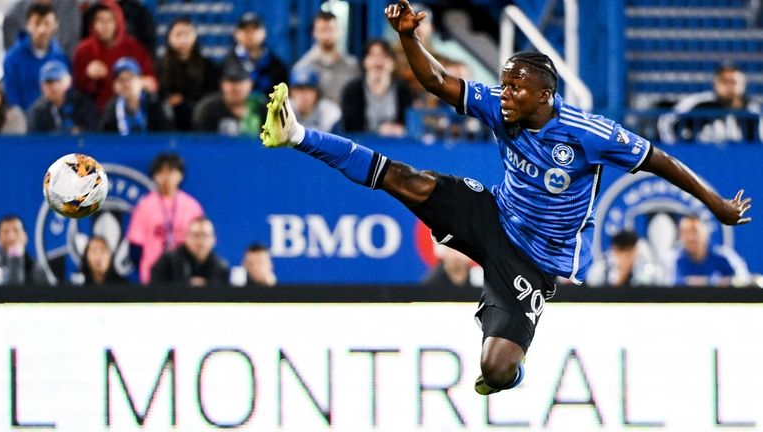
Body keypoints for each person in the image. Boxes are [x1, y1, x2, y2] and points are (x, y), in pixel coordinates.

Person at [260, 0, 752, 396]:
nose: (505, 93)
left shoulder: (588, 132)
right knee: (408, 180)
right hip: (495, 215)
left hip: (536, 261)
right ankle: (300, 135)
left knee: (495, 368)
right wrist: (408, 36)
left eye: (516, 87)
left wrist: (716, 205)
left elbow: (659, 160)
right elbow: (435, 81)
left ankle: (506, 375)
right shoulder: (501, 105)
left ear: (544, 96)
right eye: (505, 82)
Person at [126, 153, 204, 284]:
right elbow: (135, 247)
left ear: (180, 175)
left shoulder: (192, 206)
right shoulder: (145, 206)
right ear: (154, 176)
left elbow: (201, 245)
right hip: (152, 276)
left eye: (172, 172)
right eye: (162, 172)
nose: (167, 177)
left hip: (186, 275)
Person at [73, 0, 156, 111]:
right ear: (93, 24)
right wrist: (88, 75)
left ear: (118, 22)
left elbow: (151, 82)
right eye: (100, 20)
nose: (104, 26)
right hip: (95, 112)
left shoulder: (135, 48)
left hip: (130, 109)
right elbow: (75, 88)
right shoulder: (83, 50)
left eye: (109, 20)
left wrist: (135, 82)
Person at [657, 64, 763, 144]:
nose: (729, 87)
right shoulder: (698, 103)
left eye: (734, 82)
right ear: (715, 84)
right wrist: (675, 150)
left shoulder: (753, 110)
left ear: (743, 84)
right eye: (724, 82)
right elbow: (667, 122)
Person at [3, 3, 70, 111]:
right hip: (24, 122)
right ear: (28, 25)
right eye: (37, 23)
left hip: (54, 122)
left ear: (55, 25)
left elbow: (66, 96)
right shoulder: (12, 59)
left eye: (47, 23)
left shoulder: (61, 57)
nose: (42, 30)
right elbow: (12, 99)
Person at [157, 17, 219, 131]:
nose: (183, 39)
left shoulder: (208, 66)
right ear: (169, 37)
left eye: (187, 34)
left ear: (195, 37)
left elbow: (211, 94)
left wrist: (184, 100)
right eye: (178, 34)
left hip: (198, 117)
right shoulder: (159, 66)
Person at [341, 39, 412, 136]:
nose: (378, 61)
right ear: (365, 62)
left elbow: (410, 126)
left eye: (384, 56)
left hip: (395, 144)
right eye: (373, 55)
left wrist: (398, 129)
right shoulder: (352, 90)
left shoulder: (404, 90)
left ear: (392, 63)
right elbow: (350, 128)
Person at [292, 11, 359, 104]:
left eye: (331, 29)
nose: (327, 35)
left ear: (339, 31)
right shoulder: (303, 67)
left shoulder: (352, 66)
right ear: (314, 33)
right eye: (323, 30)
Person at [222, 12, 287, 99]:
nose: (249, 34)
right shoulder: (225, 65)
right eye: (245, 30)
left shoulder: (277, 66)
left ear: (264, 32)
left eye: (254, 29)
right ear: (236, 34)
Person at [150, 217, 229, 286]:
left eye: (205, 236)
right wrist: (185, 286)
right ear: (186, 237)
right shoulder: (168, 262)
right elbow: (155, 290)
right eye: (196, 235)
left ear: (214, 239)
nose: (200, 241)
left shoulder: (221, 268)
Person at [100, 57, 171, 134]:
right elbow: (104, 137)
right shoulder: (112, 108)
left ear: (141, 80)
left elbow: (167, 134)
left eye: (130, 78)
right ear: (115, 85)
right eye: (121, 80)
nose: (126, 84)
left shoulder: (155, 103)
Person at [674, 215, 749, 286]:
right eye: (685, 232)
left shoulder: (724, 256)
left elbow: (743, 279)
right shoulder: (673, 259)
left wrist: (718, 282)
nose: (690, 238)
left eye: (695, 231)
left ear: (706, 233)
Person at [27, 60, 99, 133]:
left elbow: (94, 131)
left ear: (67, 82)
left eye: (57, 80)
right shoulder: (37, 112)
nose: (53, 86)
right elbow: (35, 139)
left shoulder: (83, 104)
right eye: (48, 82)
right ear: (41, 86)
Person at [192, 64, 265, 135]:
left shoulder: (260, 105)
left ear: (250, 84)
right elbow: (201, 142)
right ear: (222, 84)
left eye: (240, 81)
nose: (235, 87)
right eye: (231, 81)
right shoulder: (207, 108)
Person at [586, 230, 663, 287]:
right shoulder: (601, 269)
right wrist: (622, 274)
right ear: (614, 250)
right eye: (622, 252)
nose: (626, 256)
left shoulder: (645, 268)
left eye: (630, 252)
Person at [3, 0, 81, 56]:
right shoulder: (13, 14)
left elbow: (73, 49)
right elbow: (13, 54)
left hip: (61, 71)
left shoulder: (70, 8)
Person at [0, 215, 48, 286]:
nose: (11, 237)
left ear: (25, 237)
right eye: (6, 232)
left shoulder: (37, 269)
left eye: (16, 231)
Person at [289, 68, 341, 132]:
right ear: (292, 92)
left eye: (308, 90)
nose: (303, 95)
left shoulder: (329, 110)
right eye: (299, 90)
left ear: (317, 93)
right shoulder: (284, 109)